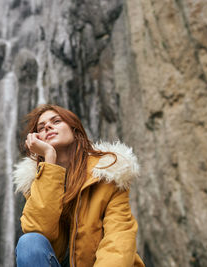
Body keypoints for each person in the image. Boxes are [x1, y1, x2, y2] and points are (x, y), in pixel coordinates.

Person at [13, 104, 145, 267]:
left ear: (75, 129)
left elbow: (118, 242)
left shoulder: (108, 177)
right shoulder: (37, 182)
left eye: (56, 121)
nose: (48, 126)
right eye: (41, 127)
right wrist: (49, 157)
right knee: (29, 242)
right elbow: (39, 230)